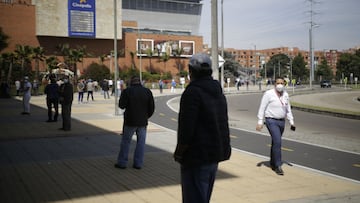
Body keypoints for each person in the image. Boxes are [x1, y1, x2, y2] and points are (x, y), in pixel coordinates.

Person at [174, 53, 231, 203]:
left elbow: (187, 128)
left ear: (191, 71)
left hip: (196, 156)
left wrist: (179, 152)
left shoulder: (192, 92)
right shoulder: (217, 91)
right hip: (214, 154)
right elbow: (222, 122)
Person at [256, 76, 295, 175]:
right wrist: (260, 121)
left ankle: (273, 162)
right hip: (271, 121)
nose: (280, 85)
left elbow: (288, 109)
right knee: (278, 141)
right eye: (278, 83)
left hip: (281, 122)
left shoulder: (285, 95)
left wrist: (291, 122)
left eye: (282, 83)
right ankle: (278, 165)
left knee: (275, 142)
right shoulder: (268, 94)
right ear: (274, 84)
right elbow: (262, 108)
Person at [115, 76, 155, 170]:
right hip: (142, 121)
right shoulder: (147, 91)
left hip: (130, 120)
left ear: (131, 82)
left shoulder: (127, 91)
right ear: (140, 82)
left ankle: (122, 162)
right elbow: (152, 108)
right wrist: (146, 116)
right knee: (141, 143)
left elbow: (121, 105)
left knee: (126, 142)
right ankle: (138, 163)